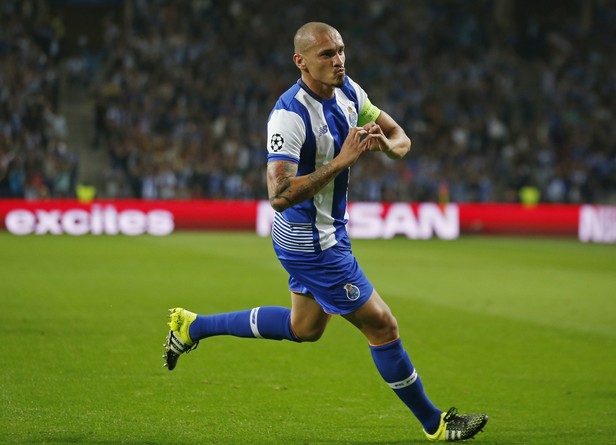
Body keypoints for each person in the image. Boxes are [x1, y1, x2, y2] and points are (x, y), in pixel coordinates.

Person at [164, 22, 488, 442]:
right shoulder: (289, 115)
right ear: (301, 62)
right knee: (383, 327)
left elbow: (399, 136)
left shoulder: (351, 92)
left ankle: (192, 327)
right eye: (326, 55)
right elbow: (279, 195)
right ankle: (437, 423)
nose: (337, 60)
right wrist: (342, 160)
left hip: (327, 231)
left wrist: (385, 148)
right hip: (312, 243)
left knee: (306, 328)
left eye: (340, 51)